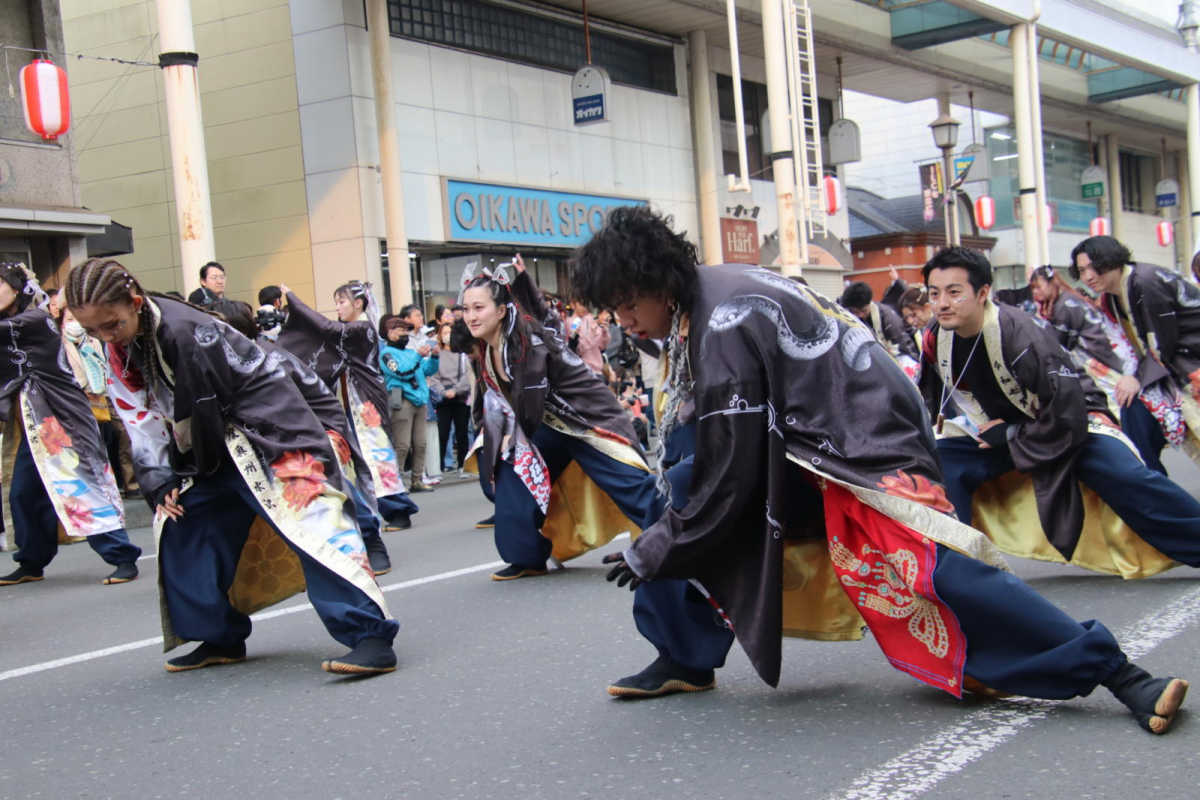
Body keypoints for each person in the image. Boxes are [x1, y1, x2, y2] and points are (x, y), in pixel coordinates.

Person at [570, 207, 1187, 736]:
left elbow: (730, 476)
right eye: (613, 308)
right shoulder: (703, 296)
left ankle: (1116, 671)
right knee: (673, 495)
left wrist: (662, 547)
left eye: (628, 304)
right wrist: (668, 534)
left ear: (659, 279)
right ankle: (683, 654)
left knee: (927, 566)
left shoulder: (723, 320)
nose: (623, 320)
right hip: (813, 442)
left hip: (863, 447)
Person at [68, 259, 398, 674]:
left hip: (274, 431)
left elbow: (225, 404)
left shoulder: (186, 331)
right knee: (182, 522)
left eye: (111, 325)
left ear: (135, 303)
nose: (104, 337)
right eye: (92, 331)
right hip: (213, 442)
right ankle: (218, 635)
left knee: (316, 520)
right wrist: (159, 478)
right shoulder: (121, 343)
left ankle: (369, 637)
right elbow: (137, 414)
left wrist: (327, 430)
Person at [919, 246, 1200, 579]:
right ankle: (958, 568)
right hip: (1005, 431)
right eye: (934, 294)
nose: (942, 303)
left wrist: (1010, 434)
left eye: (954, 292)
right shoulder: (937, 336)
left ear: (982, 293)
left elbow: (1069, 412)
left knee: (1128, 478)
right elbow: (926, 398)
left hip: (1072, 424)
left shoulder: (1020, 333)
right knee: (941, 462)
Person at [459, 256, 654, 580]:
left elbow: (530, 404)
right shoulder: (484, 349)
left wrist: (513, 436)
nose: (470, 316)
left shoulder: (528, 343)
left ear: (502, 309)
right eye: (465, 309)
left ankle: (679, 537)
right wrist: (494, 445)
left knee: (629, 485)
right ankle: (527, 556)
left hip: (586, 421)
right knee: (511, 469)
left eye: (479, 308)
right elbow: (491, 406)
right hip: (547, 425)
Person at [212, 299, 395, 576]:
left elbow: (312, 406)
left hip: (314, 433)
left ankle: (371, 541)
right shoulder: (220, 362)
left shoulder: (272, 358)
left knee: (334, 491)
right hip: (271, 442)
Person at [0, 264, 141, 587]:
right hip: (36, 428)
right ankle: (32, 561)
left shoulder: (32, 322)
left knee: (81, 486)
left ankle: (122, 555)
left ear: (16, 287)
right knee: (24, 492)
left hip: (63, 420)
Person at [277, 283, 418, 532]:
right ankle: (378, 511)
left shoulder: (362, 327)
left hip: (366, 402)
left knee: (376, 453)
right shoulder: (352, 328)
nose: (337, 307)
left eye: (342, 301)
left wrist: (293, 300)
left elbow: (327, 328)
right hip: (353, 400)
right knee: (362, 456)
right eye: (336, 302)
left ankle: (397, 509)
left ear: (358, 304)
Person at [1028, 264, 1181, 474]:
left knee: (1122, 430)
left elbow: (1056, 347)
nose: (1035, 292)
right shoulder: (1070, 301)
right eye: (1033, 288)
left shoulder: (1065, 307)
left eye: (1038, 286)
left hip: (1104, 370)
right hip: (1114, 367)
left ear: (1051, 282)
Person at [1072, 235, 1200, 476]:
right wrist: (1133, 376)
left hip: (1186, 361)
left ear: (1112, 259)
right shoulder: (1111, 297)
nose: (1088, 276)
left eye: (1093, 266)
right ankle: (1153, 489)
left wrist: (1136, 377)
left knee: (1137, 421)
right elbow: (1130, 346)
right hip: (1165, 368)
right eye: (1081, 270)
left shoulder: (1145, 281)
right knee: (1133, 417)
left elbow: (1163, 344)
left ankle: (1154, 488)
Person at [379, 315, 439, 493]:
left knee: (420, 443)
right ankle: (396, 482)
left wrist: (434, 358)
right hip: (402, 401)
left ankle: (417, 480)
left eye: (407, 330)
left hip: (420, 402)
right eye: (402, 331)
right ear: (390, 333)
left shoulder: (411, 352)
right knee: (402, 444)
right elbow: (401, 372)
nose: (406, 334)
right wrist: (418, 357)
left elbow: (427, 370)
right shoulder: (386, 354)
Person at [839, 280, 921, 380]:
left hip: (897, 357)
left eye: (863, 311)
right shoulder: (848, 317)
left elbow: (903, 348)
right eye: (855, 312)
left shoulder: (888, 318)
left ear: (870, 302)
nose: (860, 315)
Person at [434, 321, 471, 475]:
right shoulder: (437, 355)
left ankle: (462, 465)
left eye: (450, 332)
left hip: (460, 397)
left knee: (462, 433)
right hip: (443, 399)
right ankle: (440, 466)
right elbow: (433, 376)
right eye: (444, 333)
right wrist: (443, 392)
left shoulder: (462, 354)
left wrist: (456, 390)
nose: (447, 336)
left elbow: (467, 375)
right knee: (442, 433)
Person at [567, 300, 610, 376]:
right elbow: (576, 350)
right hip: (582, 370)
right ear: (572, 305)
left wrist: (604, 333)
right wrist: (592, 335)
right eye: (581, 305)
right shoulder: (569, 322)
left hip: (597, 369)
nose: (585, 308)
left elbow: (601, 345)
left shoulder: (590, 320)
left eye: (586, 304)